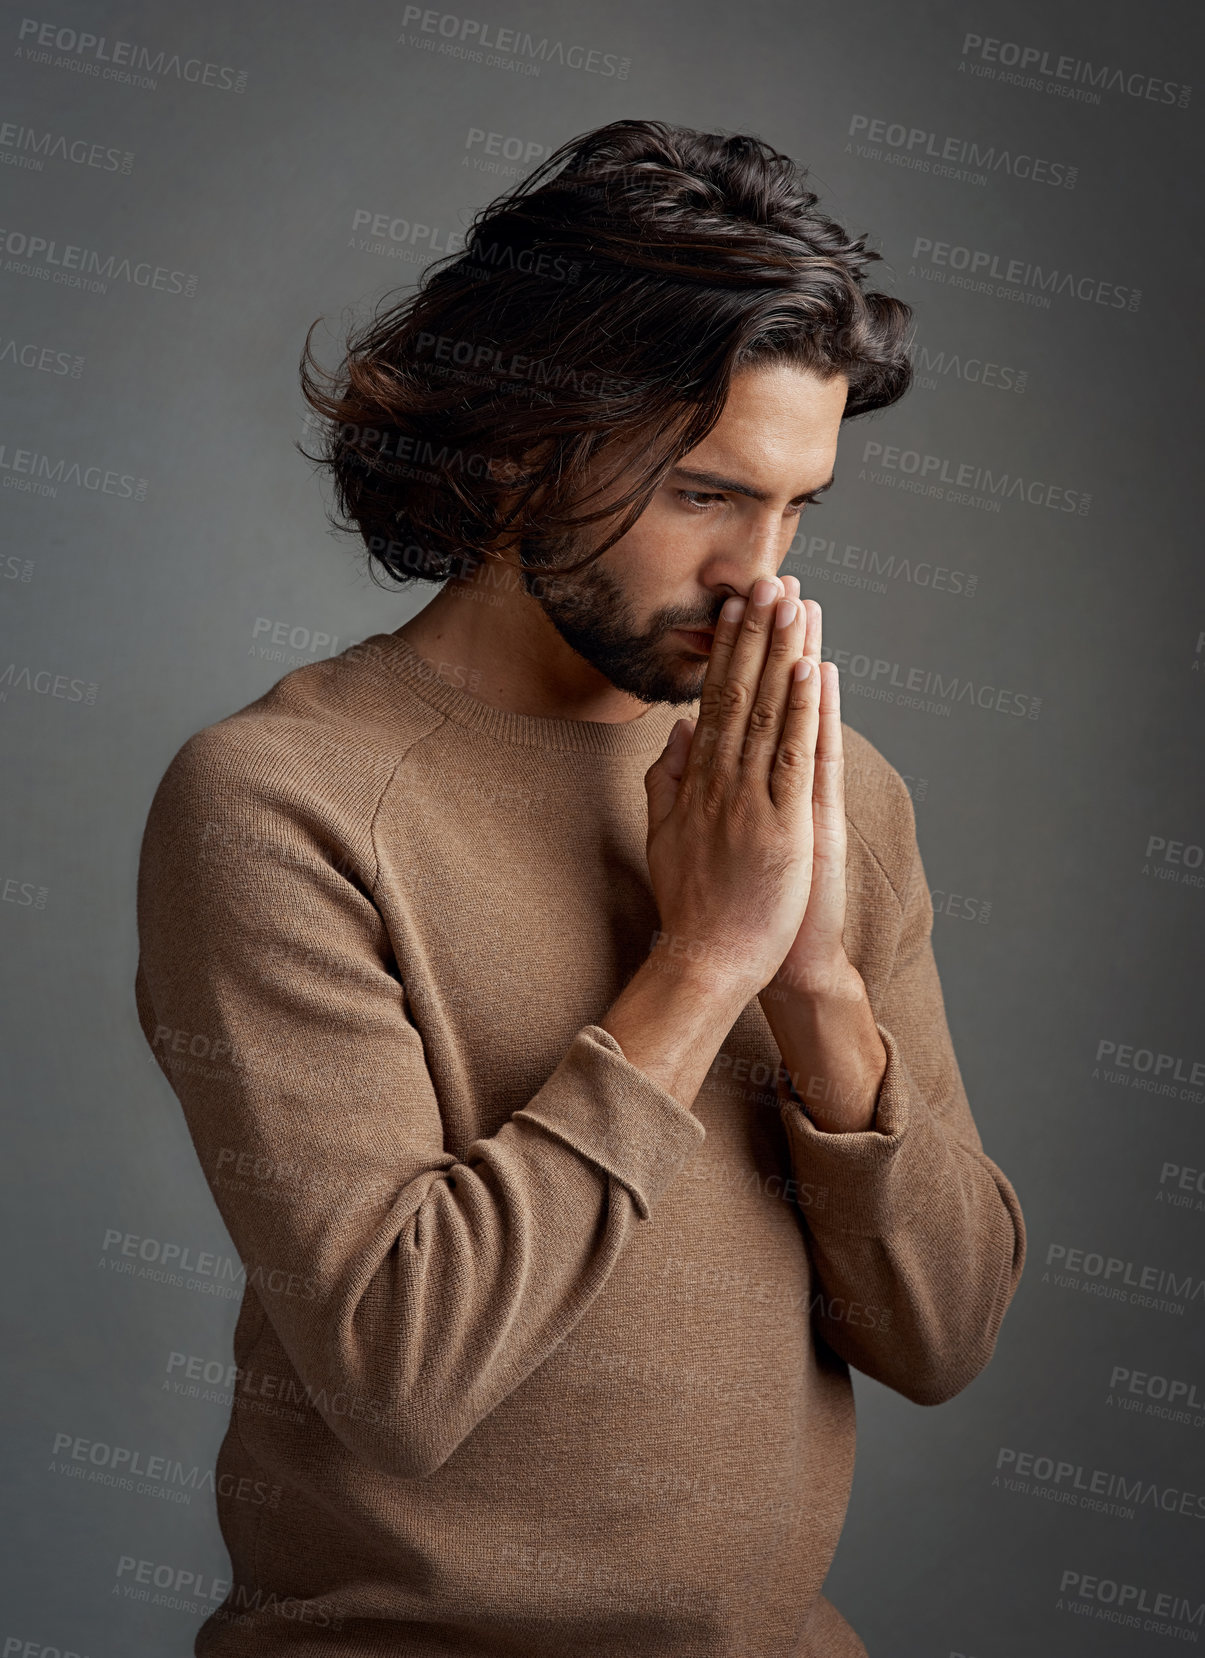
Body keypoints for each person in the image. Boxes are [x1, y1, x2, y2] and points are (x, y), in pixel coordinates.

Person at [135, 119, 1025, 1657]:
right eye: (702, 494)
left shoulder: (823, 786)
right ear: (512, 446)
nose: (762, 571)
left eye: (797, 504)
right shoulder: (279, 802)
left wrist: (813, 985)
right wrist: (704, 960)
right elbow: (398, 1373)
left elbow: (941, 1335)